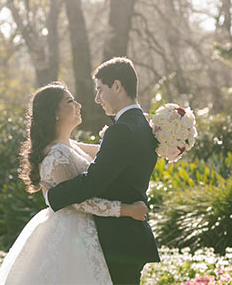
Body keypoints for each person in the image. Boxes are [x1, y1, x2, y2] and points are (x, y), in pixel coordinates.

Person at [0, 81, 149, 285]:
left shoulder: (69, 146)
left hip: (86, 231)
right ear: (54, 112)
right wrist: (126, 210)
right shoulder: (57, 154)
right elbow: (77, 201)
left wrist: (142, 129)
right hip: (72, 234)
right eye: (70, 101)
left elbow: (109, 150)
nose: (78, 105)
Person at [47, 57, 160, 285]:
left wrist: (53, 195)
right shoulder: (144, 126)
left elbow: (93, 183)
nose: (97, 99)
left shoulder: (121, 130)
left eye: (100, 90)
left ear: (117, 86)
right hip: (131, 237)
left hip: (116, 240)